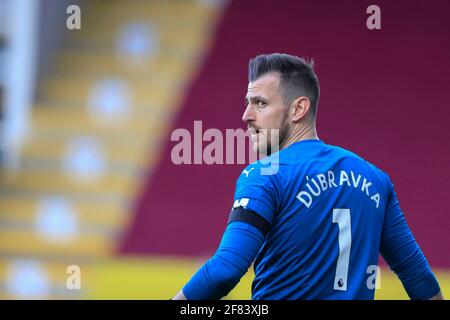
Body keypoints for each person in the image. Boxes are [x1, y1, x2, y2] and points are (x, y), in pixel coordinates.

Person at [172, 53, 443, 300]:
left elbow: (225, 269)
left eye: (260, 103)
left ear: (298, 109)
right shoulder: (375, 178)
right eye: (247, 103)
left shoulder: (264, 175)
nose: (246, 116)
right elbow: (417, 276)